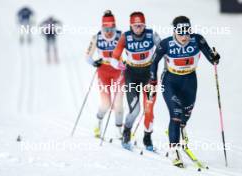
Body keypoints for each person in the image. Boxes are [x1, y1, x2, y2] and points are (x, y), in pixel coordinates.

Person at [149, 16, 220, 167]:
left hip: (190, 81)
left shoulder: (197, 40)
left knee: (185, 116)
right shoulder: (166, 44)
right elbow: (154, 62)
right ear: (174, 31)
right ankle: (174, 150)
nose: (184, 36)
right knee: (175, 114)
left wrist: (215, 58)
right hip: (170, 81)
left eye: (187, 32)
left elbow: (211, 57)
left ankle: (175, 131)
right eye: (180, 32)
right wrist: (153, 80)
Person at [111, 12, 161, 151]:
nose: (138, 28)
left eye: (141, 25)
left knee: (149, 110)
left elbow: (163, 48)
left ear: (144, 25)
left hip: (149, 75)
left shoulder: (152, 34)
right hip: (131, 74)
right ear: (131, 26)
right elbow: (114, 57)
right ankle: (127, 130)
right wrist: (117, 64)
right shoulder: (125, 37)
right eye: (135, 26)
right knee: (136, 110)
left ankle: (147, 137)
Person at [85, 10, 125, 139]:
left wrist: (128, 63)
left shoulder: (121, 36)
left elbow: (130, 52)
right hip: (103, 71)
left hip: (118, 71)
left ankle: (120, 131)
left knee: (118, 103)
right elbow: (87, 56)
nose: (108, 32)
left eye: (111, 28)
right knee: (106, 104)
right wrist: (93, 62)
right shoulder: (96, 37)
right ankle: (98, 124)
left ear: (115, 26)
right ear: (102, 27)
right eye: (106, 28)